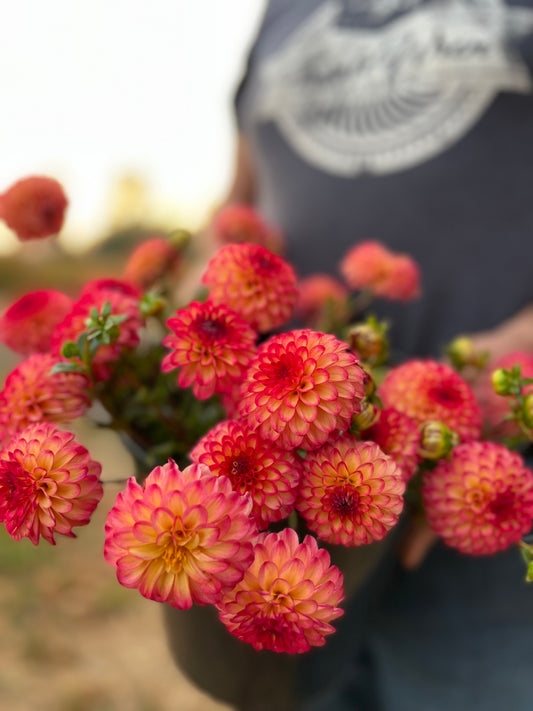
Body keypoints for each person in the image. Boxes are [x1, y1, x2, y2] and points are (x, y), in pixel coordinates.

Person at [216, 1, 533, 710]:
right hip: (287, 492)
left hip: (492, 475)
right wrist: (208, 293)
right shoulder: (281, 14)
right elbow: (240, 201)